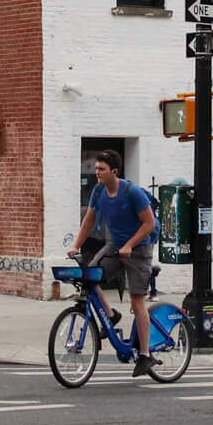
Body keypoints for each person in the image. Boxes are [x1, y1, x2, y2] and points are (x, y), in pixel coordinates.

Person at [70, 151, 158, 377]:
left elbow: (149, 224)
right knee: (90, 276)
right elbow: (89, 220)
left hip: (139, 249)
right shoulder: (98, 191)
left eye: (102, 169)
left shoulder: (133, 193)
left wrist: (129, 245)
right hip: (115, 246)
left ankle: (145, 355)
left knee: (137, 300)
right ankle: (110, 315)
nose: (97, 173)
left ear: (114, 172)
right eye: (96, 169)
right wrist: (76, 246)